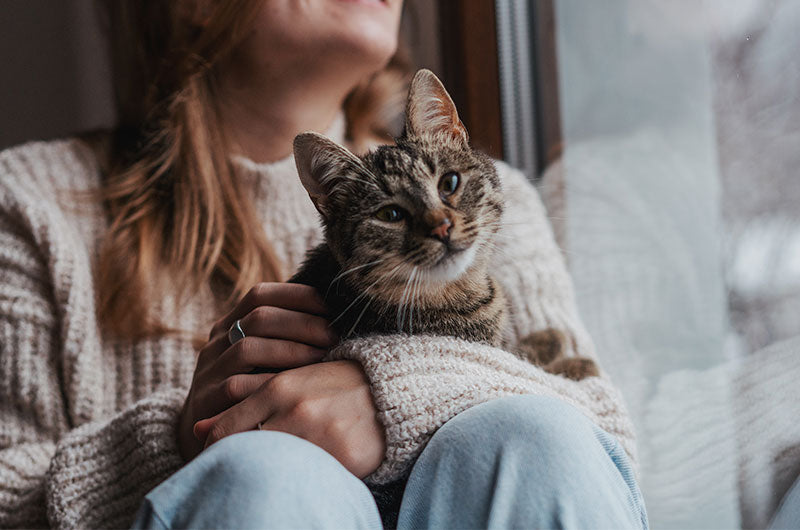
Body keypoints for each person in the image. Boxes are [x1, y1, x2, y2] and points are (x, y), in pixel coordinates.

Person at [0, 0, 647, 528]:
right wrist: (177, 443)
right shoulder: (27, 203)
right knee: (266, 479)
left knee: (535, 438)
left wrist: (392, 395)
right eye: (395, 216)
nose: (441, 224)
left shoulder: (489, 196)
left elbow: (603, 436)